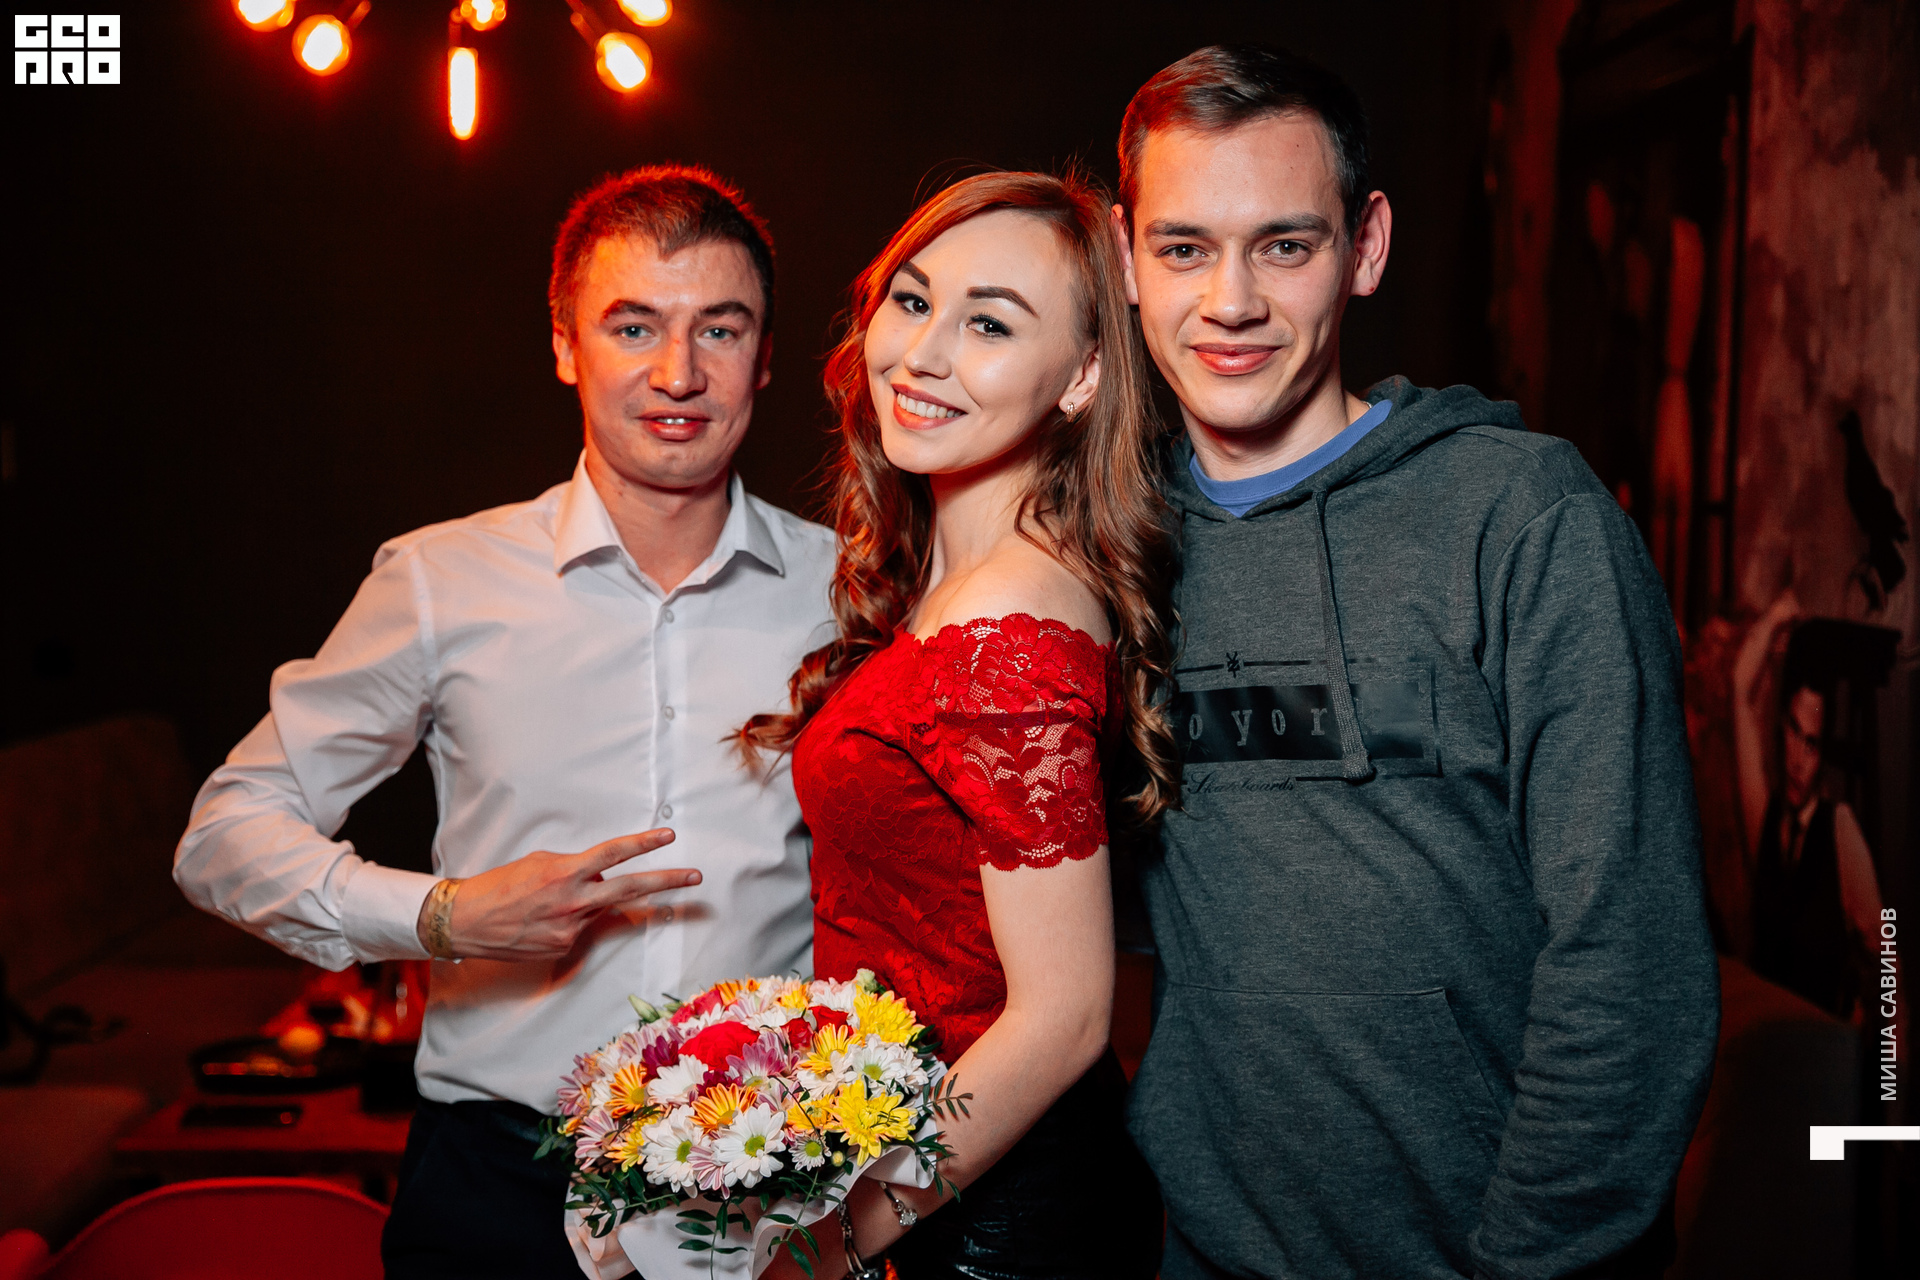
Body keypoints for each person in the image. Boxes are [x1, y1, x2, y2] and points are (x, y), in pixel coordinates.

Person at [1110, 46, 1721, 1279]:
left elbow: (1630, 963)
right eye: (1183, 248)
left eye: (1285, 244)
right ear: (1127, 258)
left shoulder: (1526, 519)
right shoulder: (1112, 551)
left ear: (1366, 244)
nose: (1229, 300)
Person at [173, 165, 835, 1279]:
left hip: (766, 1185)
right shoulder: (442, 579)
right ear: (567, 345)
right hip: (499, 1182)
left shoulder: (850, 590)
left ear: (765, 357)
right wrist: (444, 915)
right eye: (634, 326)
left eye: (719, 329)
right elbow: (224, 833)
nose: (679, 373)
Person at [739, 170, 1171, 1278]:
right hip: (939, 1182)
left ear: (1083, 375)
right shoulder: (961, 584)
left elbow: (1065, 1016)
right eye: (914, 299)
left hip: (997, 1224)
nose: (921, 354)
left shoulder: (1008, 617)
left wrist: (830, 1242)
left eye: (989, 324)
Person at [1732, 591, 1886, 1019]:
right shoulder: (1763, 818)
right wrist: (1779, 613)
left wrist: (1893, 1052)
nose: (1799, 760)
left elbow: (1885, 945)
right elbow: (1739, 691)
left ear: (1822, 755)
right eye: (1793, 732)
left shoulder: (1838, 827)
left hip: (1821, 1042)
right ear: (1780, 729)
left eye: (1813, 745)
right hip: (1770, 1037)